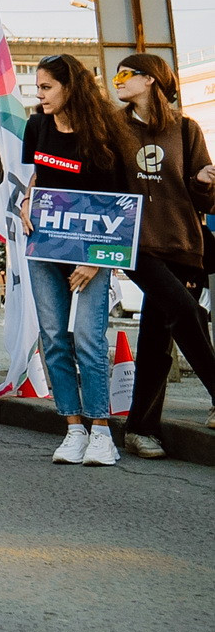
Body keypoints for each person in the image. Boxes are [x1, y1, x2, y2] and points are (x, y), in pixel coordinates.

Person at [16, 53, 136, 466]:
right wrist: (27, 200)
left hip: (94, 255)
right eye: (38, 88)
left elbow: (122, 205)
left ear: (71, 87)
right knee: (53, 338)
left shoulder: (105, 133)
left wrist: (98, 262)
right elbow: (38, 177)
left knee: (88, 338)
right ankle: (72, 429)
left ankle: (101, 432)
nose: (40, 95)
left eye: (47, 87)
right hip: (45, 247)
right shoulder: (37, 126)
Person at [113, 54, 215, 458]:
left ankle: (141, 429)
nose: (117, 81)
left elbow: (203, 198)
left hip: (183, 243)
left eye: (126, 74)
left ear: (152, 80)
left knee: (158, 338)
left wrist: (204, 182)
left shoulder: (186, 130)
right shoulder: (113, 128)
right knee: (189, 313)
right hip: (135, 244)